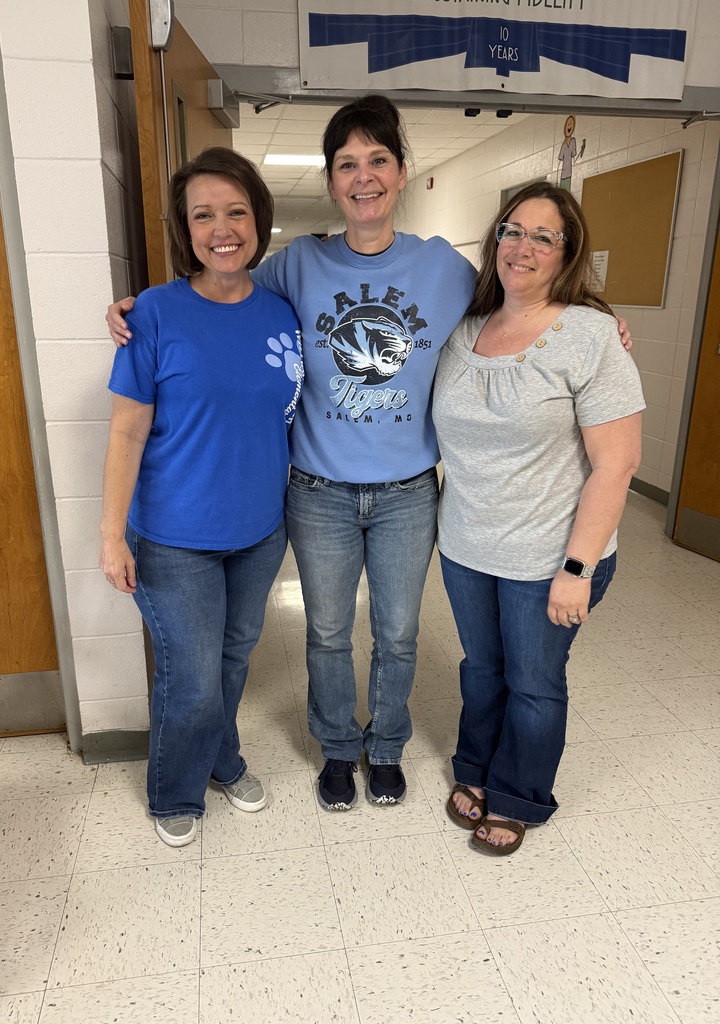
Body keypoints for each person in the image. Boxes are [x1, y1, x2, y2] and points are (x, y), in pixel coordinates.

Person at [106, 96, 631, 815]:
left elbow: (518, 304)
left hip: (409, 493)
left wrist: (599, 320)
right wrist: (136, 307)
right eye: (347, 164)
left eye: (378, 160)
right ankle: (336, 749)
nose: (364, 177)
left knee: (397, 632)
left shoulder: (444, 269)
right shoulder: (296, 266)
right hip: (316, 492)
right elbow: (216, 292)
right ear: (331, 182)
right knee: (325, 633)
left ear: (402, 172)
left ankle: (384, 747)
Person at [433, 182, 644, 855]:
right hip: (467, 546)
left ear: (567, 252)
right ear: (494, 238)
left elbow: (616, 465)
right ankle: (476, 769)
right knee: (481, 669)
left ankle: (519, 794)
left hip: (551, 557)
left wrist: (577, 570)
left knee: (533, 682)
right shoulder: (463, 330)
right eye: (512, 230)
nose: (523, 247)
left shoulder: (589, 337)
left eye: (543, 236)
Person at [100, 147, 302, 847]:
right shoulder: (152, 314)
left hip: (259, 530)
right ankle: (175, 793)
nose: (222, 228)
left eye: (236, 211)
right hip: (175, 536)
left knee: (232, 661)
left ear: (259, 221)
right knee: (190, 679)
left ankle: (223, 759)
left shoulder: (282, 313)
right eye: (203, 215)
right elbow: (126, 432)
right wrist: (109, 536)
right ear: (185, 230)